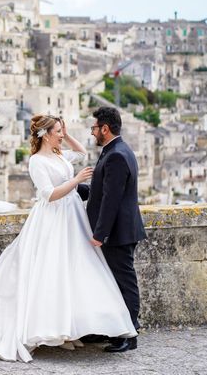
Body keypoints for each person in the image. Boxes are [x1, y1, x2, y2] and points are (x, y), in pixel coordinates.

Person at [0, 114, 137, 362]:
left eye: (61, 131)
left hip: (71, 216)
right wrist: (75, 180)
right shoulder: (37, 161)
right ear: (45, 134)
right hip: (53, 217)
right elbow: (48, 195)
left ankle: (77, 326)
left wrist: (67, 135)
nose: (60, 134)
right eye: (57, 131)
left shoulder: (59, 154)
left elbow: (80, 155)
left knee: (76, 269)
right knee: (49, 271)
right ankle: (48, 327)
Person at [86, 107, 147, 352]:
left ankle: (130, 335)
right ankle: (115, 330)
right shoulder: (115, 151)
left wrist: (100, 234)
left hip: (118, 233)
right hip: (119, 230)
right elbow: (102, 191)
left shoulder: (116, 155)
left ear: (105, 128)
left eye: (94, 128)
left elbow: (112, 200)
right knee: (114, 281)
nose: (92, 133)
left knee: (124, 282)